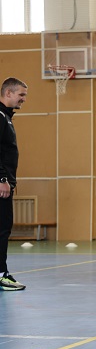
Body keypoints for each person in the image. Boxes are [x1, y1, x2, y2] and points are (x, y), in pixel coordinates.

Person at [0, 77, 28, 291]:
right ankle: (2, 275)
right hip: (2, 184)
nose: (23, 99)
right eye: (21, 95)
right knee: (2, 229)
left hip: (6, 183)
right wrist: (2, 179)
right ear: (8, 93)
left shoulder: (6, 117)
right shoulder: (0, 117)